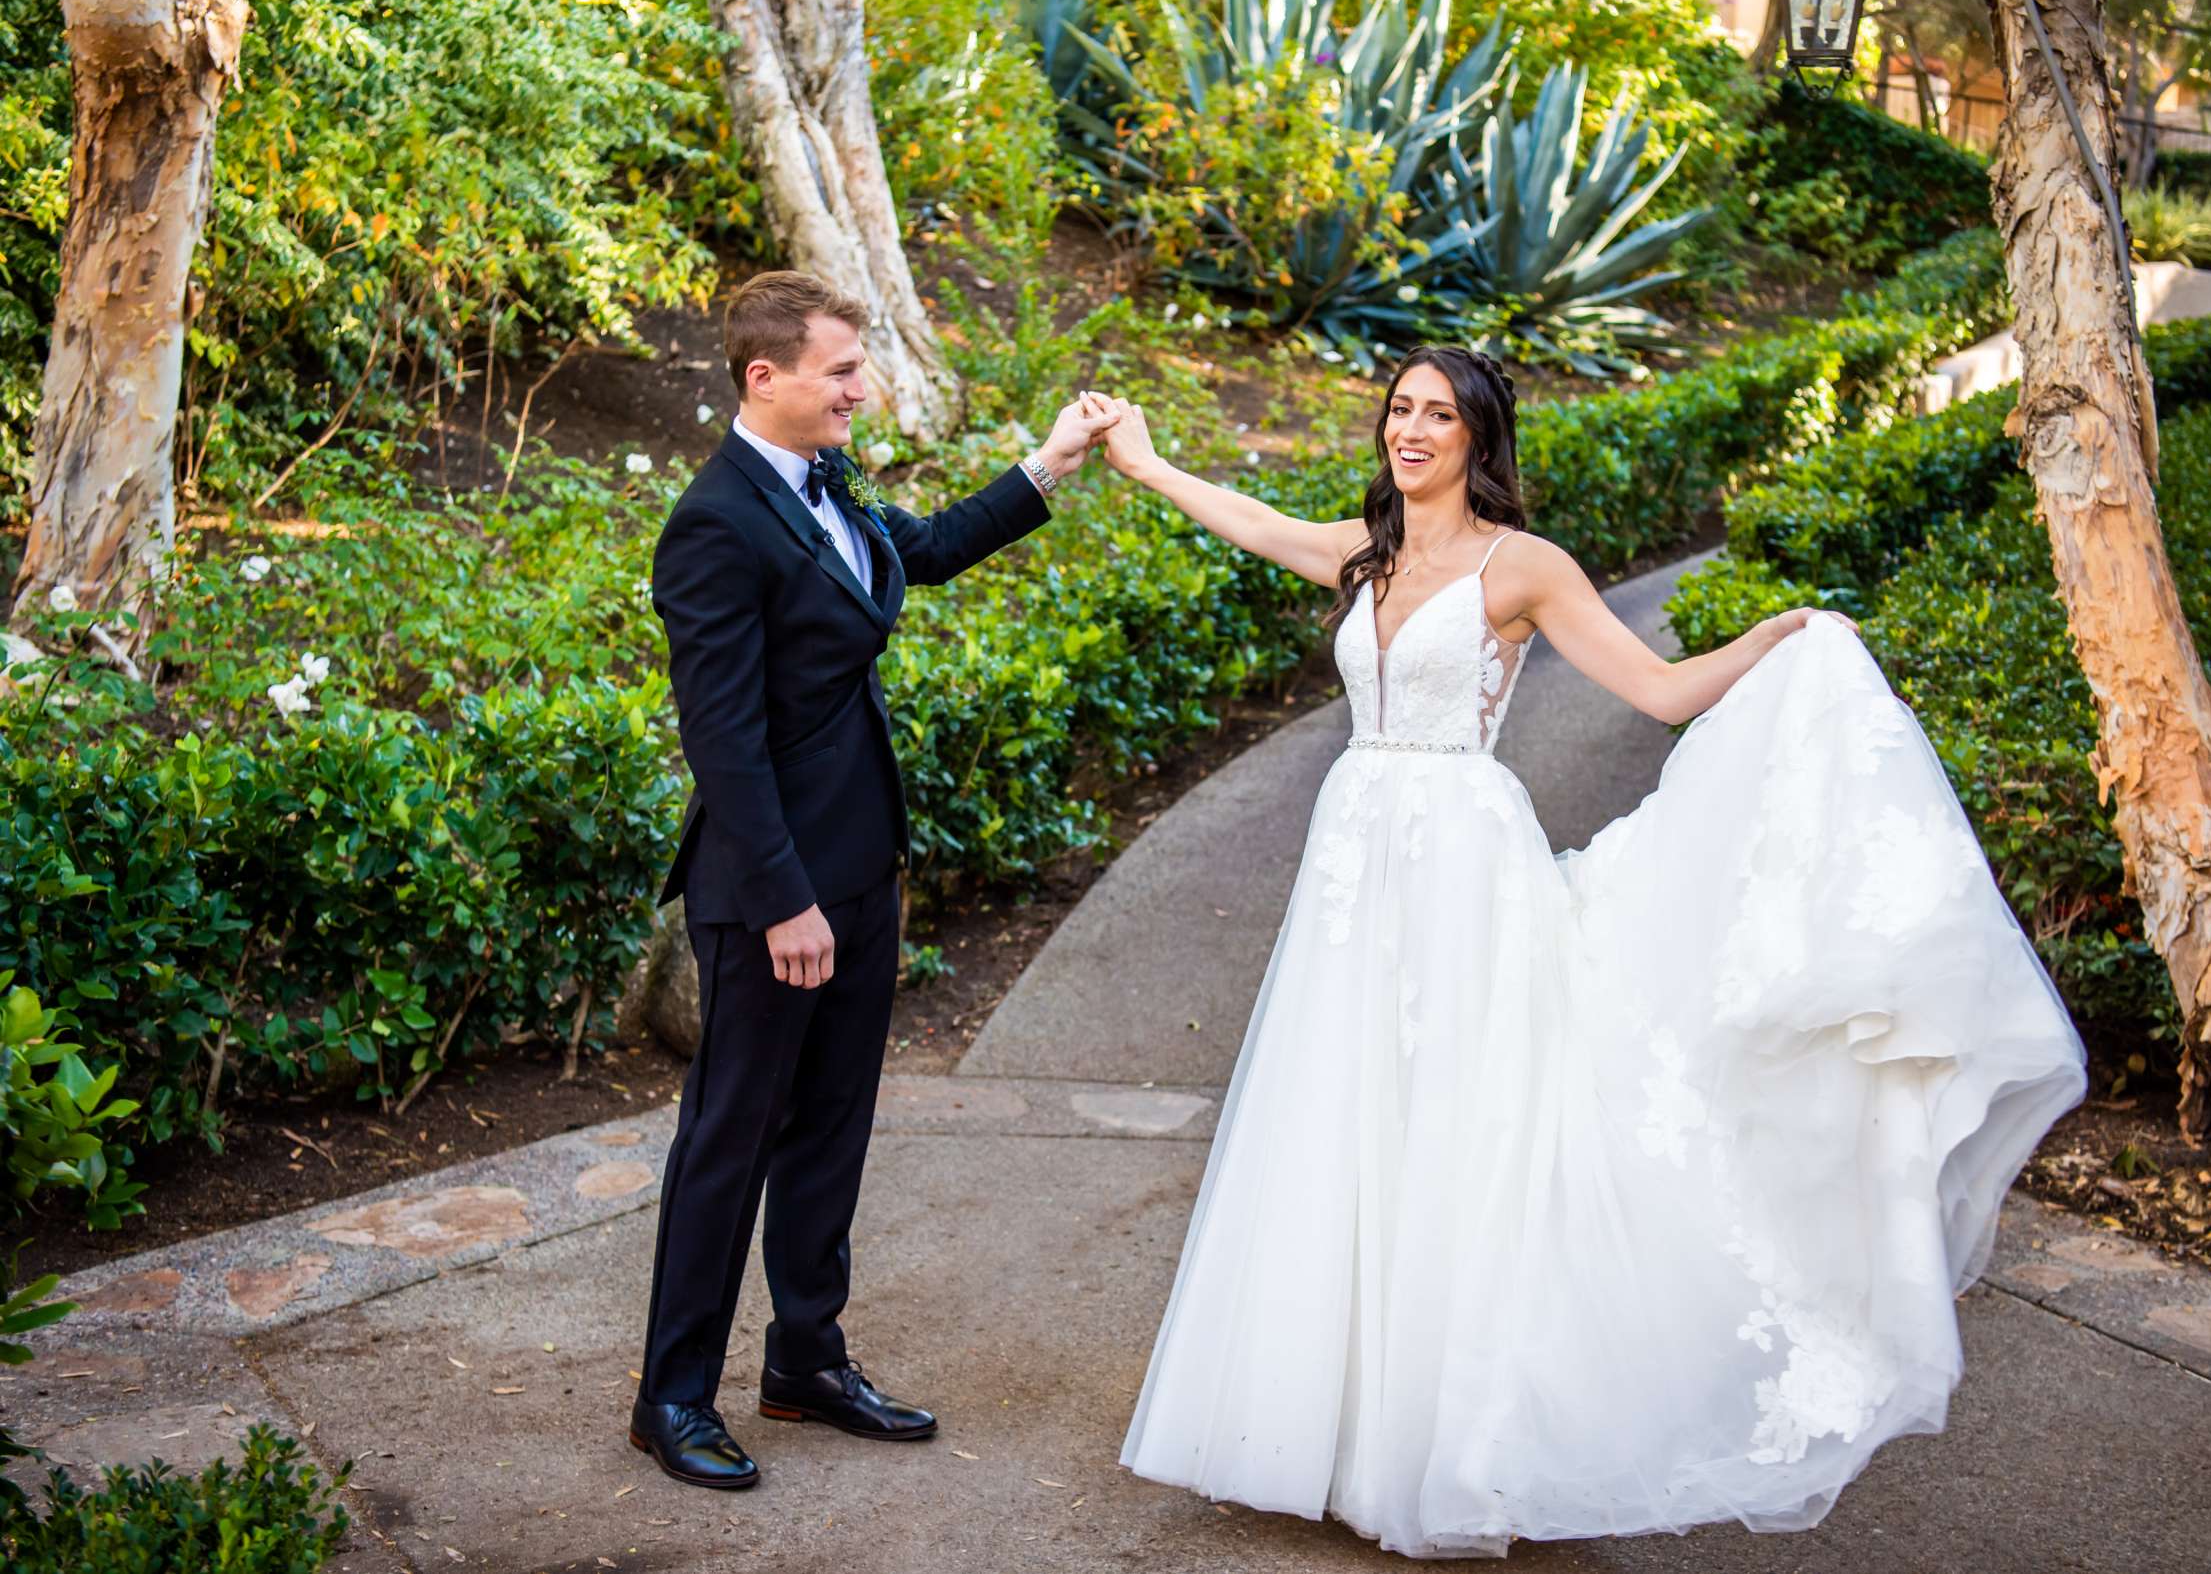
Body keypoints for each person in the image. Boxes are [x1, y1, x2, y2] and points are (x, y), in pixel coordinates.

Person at [1087, 350, 2087, 1557]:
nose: (1412, 431)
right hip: (1357, 872)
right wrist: (1143, 464)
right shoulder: (1368, 551)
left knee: (1465, 1136)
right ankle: (1329, 1431)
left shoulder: (1524, 567)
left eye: (1438, 416)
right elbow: (1249, 519)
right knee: (1346, 1119)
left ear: (1478, 437)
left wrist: (1778, 641)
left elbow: (1660, 694)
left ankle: (1452, 1445)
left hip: (1465, 869)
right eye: (1400, 410)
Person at [631, 272, 1118, 1490]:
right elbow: (724, 741)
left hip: (859, 868)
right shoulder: (714, 522)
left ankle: (804, 1360)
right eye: (843, 370)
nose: (863, 388)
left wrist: (1050, 463)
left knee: (832, 1130)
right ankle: (672, 1396)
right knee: (726, 1142)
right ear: (766, 377)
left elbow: (932, 550)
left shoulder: (826, 483)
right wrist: (787, 899)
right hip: (771, 891)